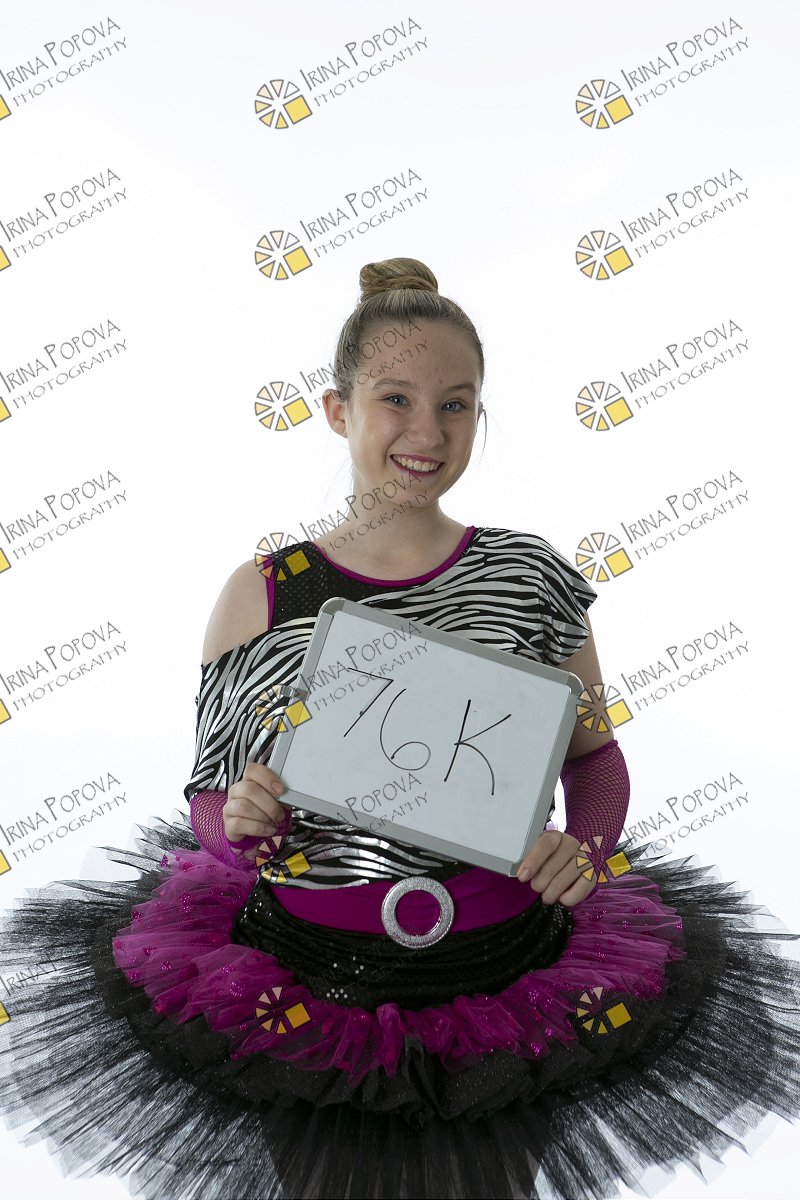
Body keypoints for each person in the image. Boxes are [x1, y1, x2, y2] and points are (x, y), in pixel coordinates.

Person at [1, 257, 799, 1200]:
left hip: (506, 981)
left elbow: (595, 758)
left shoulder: (530, 576)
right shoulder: (265, 592)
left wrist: (584, 850)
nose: (428, 432)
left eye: (457, 405)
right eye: (396, 400)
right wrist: (242, 824)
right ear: (337, 411)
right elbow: (211, 795)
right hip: (308, 990)